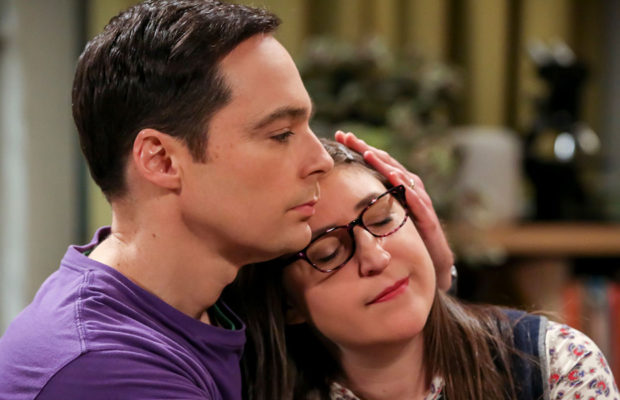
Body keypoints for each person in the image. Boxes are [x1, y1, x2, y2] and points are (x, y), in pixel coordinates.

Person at [0, 1, 453, 399]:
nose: (320, 160)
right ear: (161, 160)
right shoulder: (103, 368)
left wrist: (437, 280)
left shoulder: (208, 306)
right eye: (280, 134)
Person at [229, 138, 619, 400]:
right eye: (328, 253)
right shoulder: (242, 387)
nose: (376, 258)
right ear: (287, 302)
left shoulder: (554, 364)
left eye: (383, 219)